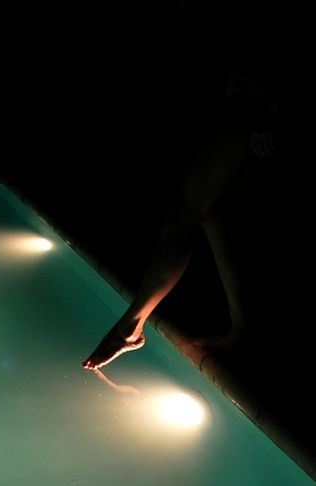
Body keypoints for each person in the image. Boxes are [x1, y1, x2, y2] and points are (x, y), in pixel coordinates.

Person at [82, 1, 284, 371]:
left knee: (184, 212)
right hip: (250, 91)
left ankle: (132, 326)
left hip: (256, 97)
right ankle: (244, 332)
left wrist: (271, 109)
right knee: (215, 215)